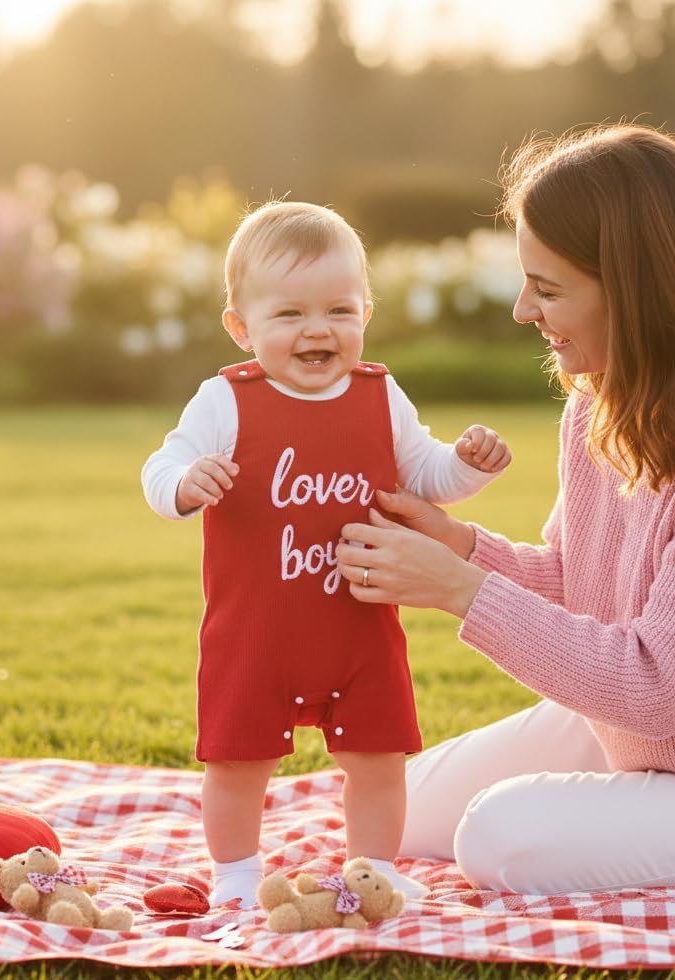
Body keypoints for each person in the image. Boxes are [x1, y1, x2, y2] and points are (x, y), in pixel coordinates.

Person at [335, 124, 675, 894]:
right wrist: (461, 547)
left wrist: (458, 590)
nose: (524, 310)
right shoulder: (602, 403)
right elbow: (575, 580)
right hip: (658, 737)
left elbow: (657, 686)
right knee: (404, 806)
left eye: (549, 288)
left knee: (500, 839)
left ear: (640, 291)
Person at [141, 200, 512, 907]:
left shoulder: (379, 394)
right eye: (289, 316)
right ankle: (237, 875)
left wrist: (469, 465)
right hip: (255, 631)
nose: (318, 330)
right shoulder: (226, 401)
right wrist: (186, 485)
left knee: (377, 758)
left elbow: (425, 474)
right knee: (238, 759)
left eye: (339, 310)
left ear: (365, 312)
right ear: (242, 327)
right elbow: (162, 466)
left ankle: (373, 867)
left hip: (359, 623)